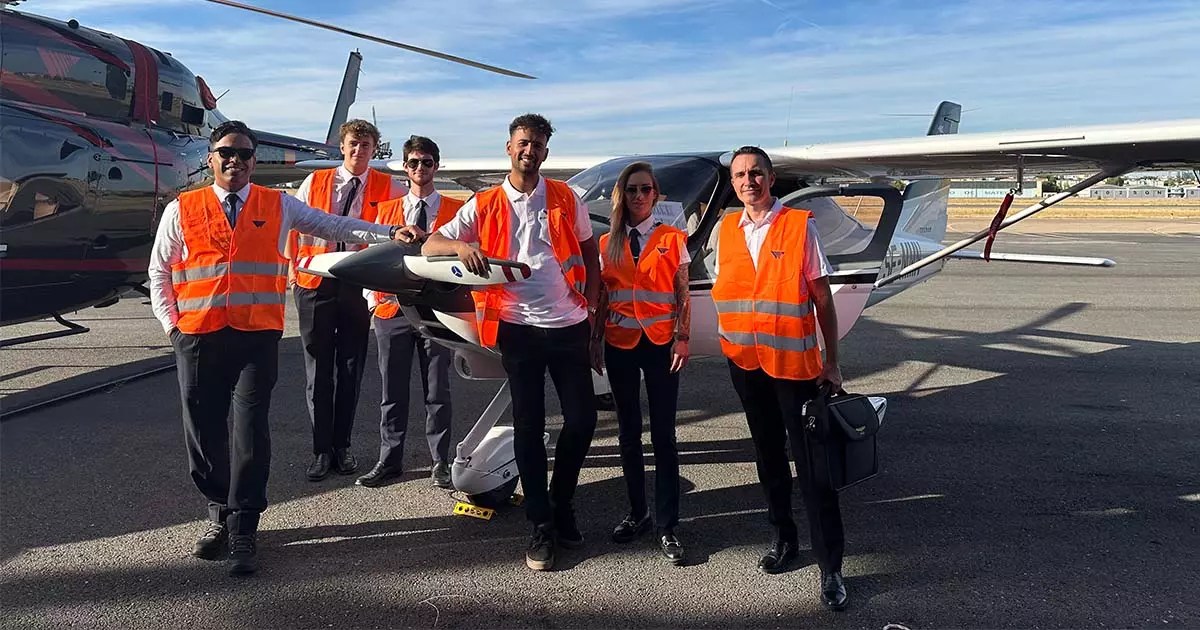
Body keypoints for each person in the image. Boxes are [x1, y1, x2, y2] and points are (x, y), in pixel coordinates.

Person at [148, 120, 408, 576]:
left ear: (255, 162)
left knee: (250, 431)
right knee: (204, 434)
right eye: (226, 152)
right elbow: (160, 272)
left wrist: (388, 233)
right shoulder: (182, 208)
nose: (235, 160)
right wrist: (173, 329)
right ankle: (219, 513)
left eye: (244, 154)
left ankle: (245, 524)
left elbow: (333, 224)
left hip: (255, 337)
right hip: (198, 337)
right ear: (211, 159)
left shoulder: (278, 204)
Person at [423, 113, 601, 572]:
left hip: (568, 322)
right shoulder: (484, 203)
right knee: (528, 425)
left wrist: (593, 313)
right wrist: (461, 247)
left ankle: (561, 502)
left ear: (545, 152)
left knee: (582, 420)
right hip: (518, 327)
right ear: (509, 147)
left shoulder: (565, 197)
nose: (530, 150)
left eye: (537, 145)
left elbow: (588, 252)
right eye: (523, 143)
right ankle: (541, 524)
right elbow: (430, 244)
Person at [713, 146, 849, 611]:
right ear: (733, 183)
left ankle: (830, 566)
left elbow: (822, 298)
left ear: (770, 179)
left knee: (813, 468)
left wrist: (832, 362)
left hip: (794, 367)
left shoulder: (798, 226)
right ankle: (784, 538)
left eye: (756, 173)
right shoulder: (726, 230)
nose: (748, 181)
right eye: (739, 175)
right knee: (768, 457)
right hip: (747, 365)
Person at [289, 119, 407, 482]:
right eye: (353, 144)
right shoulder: (315, 181)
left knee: (351, 367)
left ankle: (342, 445)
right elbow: (294, 228)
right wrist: (294, 273)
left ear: (375, 149)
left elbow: (401, 224)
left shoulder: (390, 187)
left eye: (366, 145)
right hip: (315, 282)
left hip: (358, 284)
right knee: (318, 369)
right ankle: (321, 449)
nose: (359, 151)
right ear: (342, 147)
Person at [589, 161, 690, 565]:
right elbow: (603, 297)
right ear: (622, 195)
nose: (638, 196)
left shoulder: (672, 238)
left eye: (645, 189)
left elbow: (682, 293)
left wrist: (683, 337)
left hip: (661, 345)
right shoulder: (607, 243)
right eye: (631, 189)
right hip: (620, 343)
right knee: (628, 434)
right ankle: (638, 513)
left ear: (655, 194)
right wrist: (595, 340)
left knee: (664, 436)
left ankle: (668, 525)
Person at [357, 136, 463, 489]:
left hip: (437, 312)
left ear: (436, 166)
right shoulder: (385, 211)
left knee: (437, 389)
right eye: (414, 162)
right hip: (392, 311)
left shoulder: (455, 209)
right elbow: (368, 256)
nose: (420, 168)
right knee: (392, 390)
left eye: (427, 162)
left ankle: (440, 461)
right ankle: (389, 459)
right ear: (405, 167)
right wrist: (373, 302)